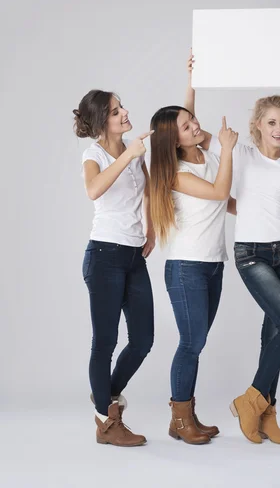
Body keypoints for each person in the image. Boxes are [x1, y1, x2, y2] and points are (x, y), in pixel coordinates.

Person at [186, 51, 280, 445]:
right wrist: (193, 81)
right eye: (272, 122)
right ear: (257, 125)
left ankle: (264, 412)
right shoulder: (240, 153)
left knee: (275, 332)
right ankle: (250, 402)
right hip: (252, 254)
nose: (279, 129)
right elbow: (186, 130)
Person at [149, 101, 238, 444]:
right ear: (174, 141)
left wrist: (263, 212)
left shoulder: (209, 158)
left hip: (214, 263)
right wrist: (227, 148)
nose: (195, 125)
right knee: (192, 342)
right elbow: (218, 192)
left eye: (193, 120)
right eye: (186, 127)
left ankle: (186, 417)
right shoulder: (175, 172)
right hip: (187, 266)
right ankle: (180, 419)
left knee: (195, 344)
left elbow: (228, 202)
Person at [74, 90, 155, 446]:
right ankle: (108, 422)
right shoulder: (93, 155)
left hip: (134, 256)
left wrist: (150, 229)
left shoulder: (135, 151)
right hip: (104, 254)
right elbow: (94, 189)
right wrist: (129, 156)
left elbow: (148, 190)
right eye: (115, 111)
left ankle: (106, 397)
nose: (124, 113)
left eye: (122, 106)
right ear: (100, 121)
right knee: (104, 342)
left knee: (143, 339)